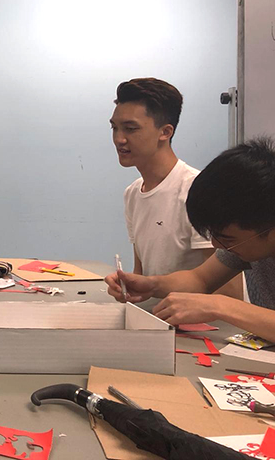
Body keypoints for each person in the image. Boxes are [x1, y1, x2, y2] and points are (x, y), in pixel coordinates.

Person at [105, 138, 275, 339]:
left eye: (228, 239)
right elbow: (200, 279)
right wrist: (151, 285)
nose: (216, 245)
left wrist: (220, 305)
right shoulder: (248, 238)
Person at [110, 77, 241, 298]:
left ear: (166, 132)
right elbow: (142, 276)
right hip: (159, 321)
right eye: (115, 128)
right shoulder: (133, 193)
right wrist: (129, 288)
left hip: (202, 328)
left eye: (130, 129)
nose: (119, 139)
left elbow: (227, 290)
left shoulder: (197, 192)